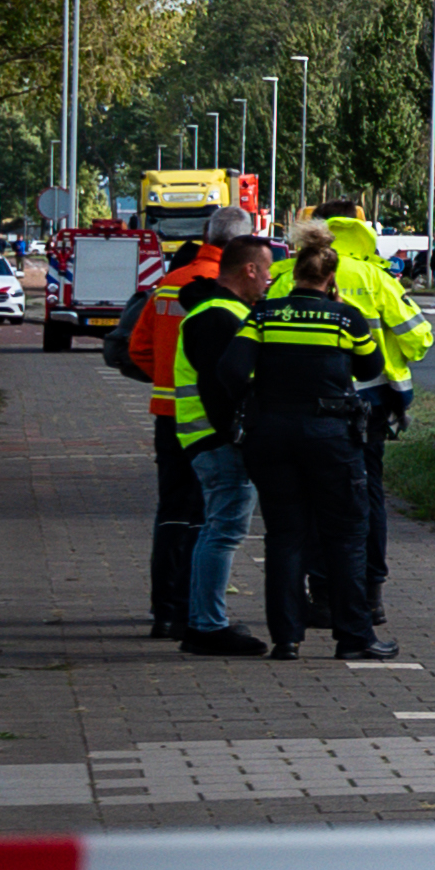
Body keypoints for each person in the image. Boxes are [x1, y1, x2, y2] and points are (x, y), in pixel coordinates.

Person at [232, 228, 393, 659]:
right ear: (330, 278)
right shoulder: (345, 319)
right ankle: (354, 637)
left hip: (271, 436)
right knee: (345, 536)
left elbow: (232, 369)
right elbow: (370, 368)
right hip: (330, 438)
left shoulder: (264, 315)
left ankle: (286, 639)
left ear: (294, 272)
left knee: (285, 537)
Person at [320, 204, 434, 626]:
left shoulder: (290, 275)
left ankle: (319, 594)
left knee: (313, 498)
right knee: (367, 495)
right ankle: (371, 595)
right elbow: (418, 337)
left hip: (308, 403)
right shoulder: (375, 277)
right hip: (368, 403)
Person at [168, 235, 275, 654]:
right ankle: (206, 626)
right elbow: (218, 388)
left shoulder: (222, 310)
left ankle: (203, 621)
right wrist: (238, 436)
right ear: (249, 269)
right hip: (218, 439)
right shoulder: (219, 316)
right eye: (267, 272)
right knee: (224, 530)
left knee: (218, 528)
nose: (268, 281)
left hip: (208, 436)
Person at [126, 240, 208, 637]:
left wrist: (165, 377)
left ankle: (165, 611)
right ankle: (196, 608)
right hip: (211, 418)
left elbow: (138, 347)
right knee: (206, 516)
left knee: (172, 510)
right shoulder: (229, 287)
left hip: (168, 412)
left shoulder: (167, 285)